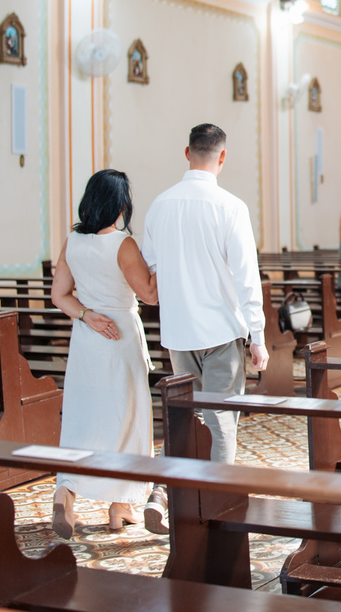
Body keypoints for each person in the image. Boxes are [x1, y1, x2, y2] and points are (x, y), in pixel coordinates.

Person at [141, 124, 268, 535]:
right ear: (223, 157)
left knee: (183, 420)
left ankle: (165, 494)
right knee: (221, 422)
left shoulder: (159, 205)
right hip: (220, 332)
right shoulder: (230, 206)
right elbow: (247, 277)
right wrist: (259, 336)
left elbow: (153, 271)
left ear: (187, 153)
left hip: (178, 333)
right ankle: (217, 508)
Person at [49, 170, 158, 539]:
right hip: (120, 338)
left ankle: (66, 491)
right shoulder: (122, 244)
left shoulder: (73, 241)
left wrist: (86, 315)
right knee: (126, 417)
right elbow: (149, 294)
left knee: (82, 417)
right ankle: (120, 505)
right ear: (120, 203)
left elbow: (59, 295)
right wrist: (161, 262)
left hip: (87, 338)